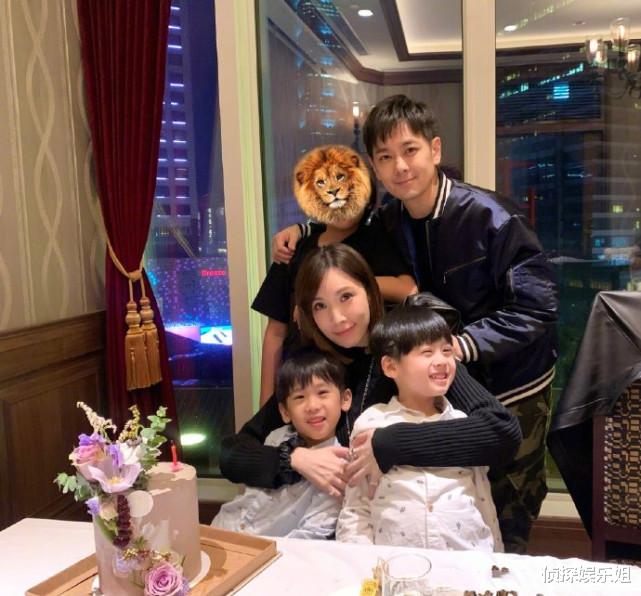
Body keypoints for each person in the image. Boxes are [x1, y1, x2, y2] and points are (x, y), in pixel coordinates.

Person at [271, 95, 558, 553]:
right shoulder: (389, 218)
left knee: (509, 502)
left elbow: (537, 307)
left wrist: (458, 345)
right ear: (374, 166)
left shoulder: (492, 217)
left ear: (435, 149)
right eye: (385, 157)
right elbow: (343, 229)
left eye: (410, 150)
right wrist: (301, 231)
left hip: (511, 380)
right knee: (454, 492)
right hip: (439, 370)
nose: (400, 167)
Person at [220, 244, 521, 515]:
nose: (337, 318)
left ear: (369, 289)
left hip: (425, 518)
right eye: (320, 306)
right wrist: (294, 459)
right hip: (340, 527)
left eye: (346, 297)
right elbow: (232, 453)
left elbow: (501, 432)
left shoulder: (408, 349)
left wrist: (390, 442)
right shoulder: (315, 367)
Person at [253, 145, 416, 405]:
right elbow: (275, 333)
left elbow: (407, 289)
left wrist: (338, 290)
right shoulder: (296, 247)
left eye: (343, 180)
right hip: (302, 379)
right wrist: (266, 403)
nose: (334, 192)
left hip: (360, 379)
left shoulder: (376, 239)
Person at [336, 304, 502, 552]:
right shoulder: (372, 422)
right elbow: (356, 507)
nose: (442, 361)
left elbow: (483, 499)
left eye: (447, 351)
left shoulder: (462, 423)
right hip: (395, 562)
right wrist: (361, 561)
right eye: (427, 352)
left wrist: (495, 559)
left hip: (465, 559)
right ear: (391, 367)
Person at [212, 348, 350, 539]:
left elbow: (312, 534)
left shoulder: (339, 465)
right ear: (285, 412)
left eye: (322, 393)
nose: (312, 406)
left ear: (345, 399)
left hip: (268, 549)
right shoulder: (277, 436)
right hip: (223, 527)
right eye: (300, 397)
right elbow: (250, 491)